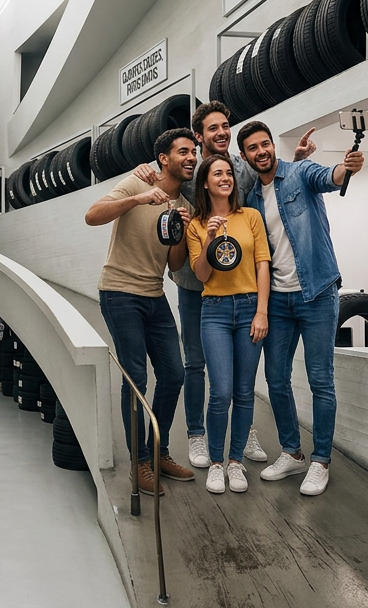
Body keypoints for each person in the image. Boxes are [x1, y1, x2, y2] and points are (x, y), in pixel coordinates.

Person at [133, 99, 315, 470]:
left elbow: (267, 183)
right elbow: (163, 181)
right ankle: (197, 436)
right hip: (195, 282)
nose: (221, 133)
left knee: (240, 370)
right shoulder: (188, 168)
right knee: (196, 363)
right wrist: (144, 172)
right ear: (199, 135)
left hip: (237, 281)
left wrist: (294, 162)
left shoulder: (240, 167)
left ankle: (243, 432)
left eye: (225, 126)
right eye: (212, 128)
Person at [237, 120, 364, 497]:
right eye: (252, 149)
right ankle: (292, 452)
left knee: (320, 379)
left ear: (272, 146)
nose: (260, 152)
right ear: (245, 156)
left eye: (264, 144)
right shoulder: (252, 198)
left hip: (317, 293)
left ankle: (321, 460)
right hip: (276, 298)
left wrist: (347, 168)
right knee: (276, 380)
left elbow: (331, 176)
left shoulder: (300, 172)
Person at [86, 128, 199, 495]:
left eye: (193, 152)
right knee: (136, 377)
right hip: (119, 292)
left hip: (153, 294)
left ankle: (158, 452)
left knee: (174, 374)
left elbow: (175, 264)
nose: (191, 158)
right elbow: (93, 215)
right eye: (184, 151)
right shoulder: (136, 182)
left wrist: (182, 232)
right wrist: (138, 199)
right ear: (163, 158)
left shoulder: (185, 206)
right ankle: (139, 463)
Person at [185, 154, 270, 494]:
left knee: (244, 391)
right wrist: (208, 238)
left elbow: (262, 264)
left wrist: (262, 312)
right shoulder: (195, 224)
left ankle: (236, 462)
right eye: (217, 173)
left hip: (250, 307)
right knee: (220, 392)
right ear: (205, 183)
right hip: (215, 311)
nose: (225, 178)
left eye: (228, 173)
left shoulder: (250, 217)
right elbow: (201, 274)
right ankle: (216, 463)